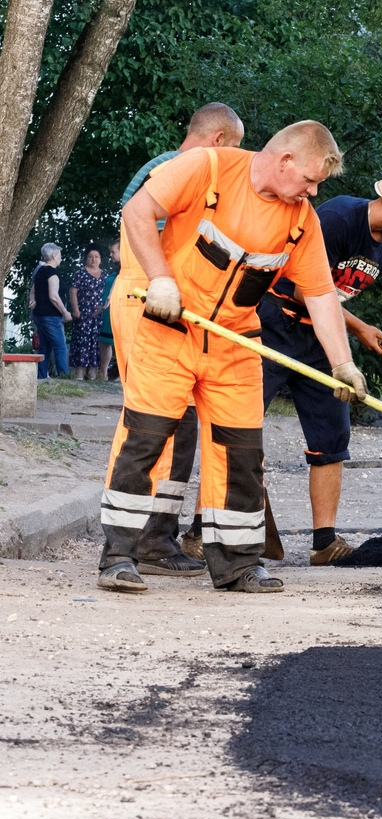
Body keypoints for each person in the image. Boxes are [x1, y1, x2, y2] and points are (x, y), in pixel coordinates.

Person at [97, 120, 366, 595]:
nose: (312, 190)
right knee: (146, 439)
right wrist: (160, 278)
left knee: (241, 453)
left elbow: (321, 295)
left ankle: (239, 564)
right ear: (285, 161)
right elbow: (138, 211)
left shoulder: (302, 219)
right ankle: (119, 556)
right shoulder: (207, 168)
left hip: (235, 343)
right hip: (171, 331)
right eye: (309, 179)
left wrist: (342, 364)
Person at [260, 171, 382, 565]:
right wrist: (360, 326)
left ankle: (324, 543)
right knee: (238, 426)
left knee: (332, 435)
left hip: (322, 338)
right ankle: (205, 531)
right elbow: (302, 287)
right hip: (275, 324)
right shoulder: (338, 219)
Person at [110, 103, 245, 571]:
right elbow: (164, 240)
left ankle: (156, 538)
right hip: (148, 299)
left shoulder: (165, 167)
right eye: (236, 149)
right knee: (154, 425)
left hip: (162, 301)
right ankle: (143, 543)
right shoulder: (179, 170)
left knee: (180, 426)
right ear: (220, 140)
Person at [29, 243, 72, 379]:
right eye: (59, 255)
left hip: (39, 315)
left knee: (44, 349)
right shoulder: (51, 273)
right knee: (60, 347)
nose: (60, 258)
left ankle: (41, 377)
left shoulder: (40, 271)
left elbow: (33, 291)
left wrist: (32, 301)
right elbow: (54, 296)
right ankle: (64, 377)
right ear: (54, 256)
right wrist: (65, 312)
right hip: (51, 316)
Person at [69, 244, 110, 380]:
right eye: (90, 257)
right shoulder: (80, 272)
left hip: (100, 314)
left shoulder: (105, 274)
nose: (94, 259)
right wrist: (75, 309)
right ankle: (79, 373)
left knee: (96, 343)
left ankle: (92, 374)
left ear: (101, 259)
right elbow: (73, 291)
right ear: (86, 258)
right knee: (83, 341)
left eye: (96, 257)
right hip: (84, 312)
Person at [98, 240, 120, 379]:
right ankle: (103, 373)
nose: (110, 255)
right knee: (104, 341)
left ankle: (119, 374)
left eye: (113, 252)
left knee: (119, 342)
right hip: (107, 311)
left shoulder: (128, 269)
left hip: (119, 310)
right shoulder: (115, 271)